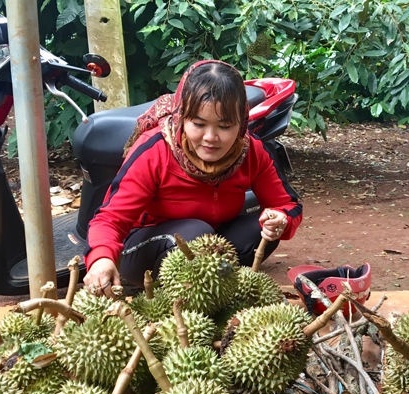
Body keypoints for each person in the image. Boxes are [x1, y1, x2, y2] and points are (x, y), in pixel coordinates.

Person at [83, 59, 303, 296]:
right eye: (198, 124)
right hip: (145, 246)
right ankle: (177, 296)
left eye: (225, 126)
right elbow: (109, 219)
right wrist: (101, 257)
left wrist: (280, 220)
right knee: (195, 233)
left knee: (259, 228)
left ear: (241, 124)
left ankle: (216, 290)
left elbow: (288, 205)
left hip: (210, 241)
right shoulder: (155, 150)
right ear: (182, 118)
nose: (211, 137)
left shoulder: (251, 151)